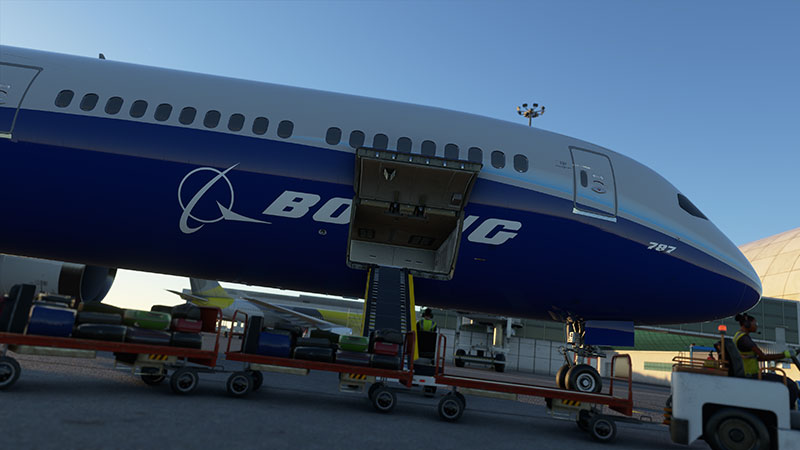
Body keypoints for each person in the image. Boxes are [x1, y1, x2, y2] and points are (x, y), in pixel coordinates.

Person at [733, 313, 799, 409]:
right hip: (751, 375)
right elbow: (763, 357)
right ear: (747, 324)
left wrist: (782, 355)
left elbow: (756, 358)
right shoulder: (744, 339)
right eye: (755, 324)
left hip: (750, 373)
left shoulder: (738, 336)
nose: (756, 326)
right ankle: (788, 411)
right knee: (791, 385)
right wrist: (785, 354)